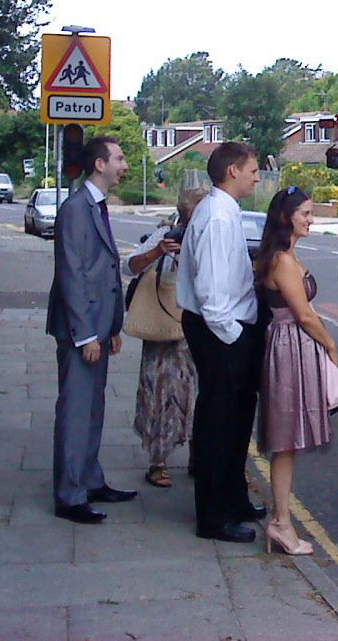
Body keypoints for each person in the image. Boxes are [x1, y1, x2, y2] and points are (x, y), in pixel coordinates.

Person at [176, 141, 266, 543]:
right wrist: (234, 339)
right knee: (219, 423)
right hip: (220, 331)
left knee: (237, 422)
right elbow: (211, 292)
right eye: (253, 169)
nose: (257, 176)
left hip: (229, 329)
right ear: (233, 171)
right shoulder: (216, 218)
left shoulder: (224, 212)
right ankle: (213, 517)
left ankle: (234, 499)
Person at [46, 135, 136, 523]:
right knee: (75, 411)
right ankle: (69, 496)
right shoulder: (75, 209)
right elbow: (72, 274)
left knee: (93, 409)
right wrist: (85, 335)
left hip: (100, 326)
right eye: (119, 158)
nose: (125, 165)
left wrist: (113, 326)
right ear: (99, 164)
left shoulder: (95, 207)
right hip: (79, 330)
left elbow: (105, 273)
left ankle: (89, 478)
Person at [255, 187, 338, 556]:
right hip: (289, 346)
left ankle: (281, 521)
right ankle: (280, 522)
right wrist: (332, 345)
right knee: (286, 439)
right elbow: (304, 314)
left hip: (292, 346)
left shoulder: (284, 256)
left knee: (288, 440)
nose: (310, 218)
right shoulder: (283, 261)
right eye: (305, 213)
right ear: (286, 217)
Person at [125, 186, 207, 489]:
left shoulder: (210, 237)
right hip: (163, 330)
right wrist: (158, 251)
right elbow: (129, 265)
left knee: (199, 396)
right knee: (162, 394)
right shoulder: (167, 234)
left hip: (198, 331)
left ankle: (198, 457)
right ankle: (157, 462)